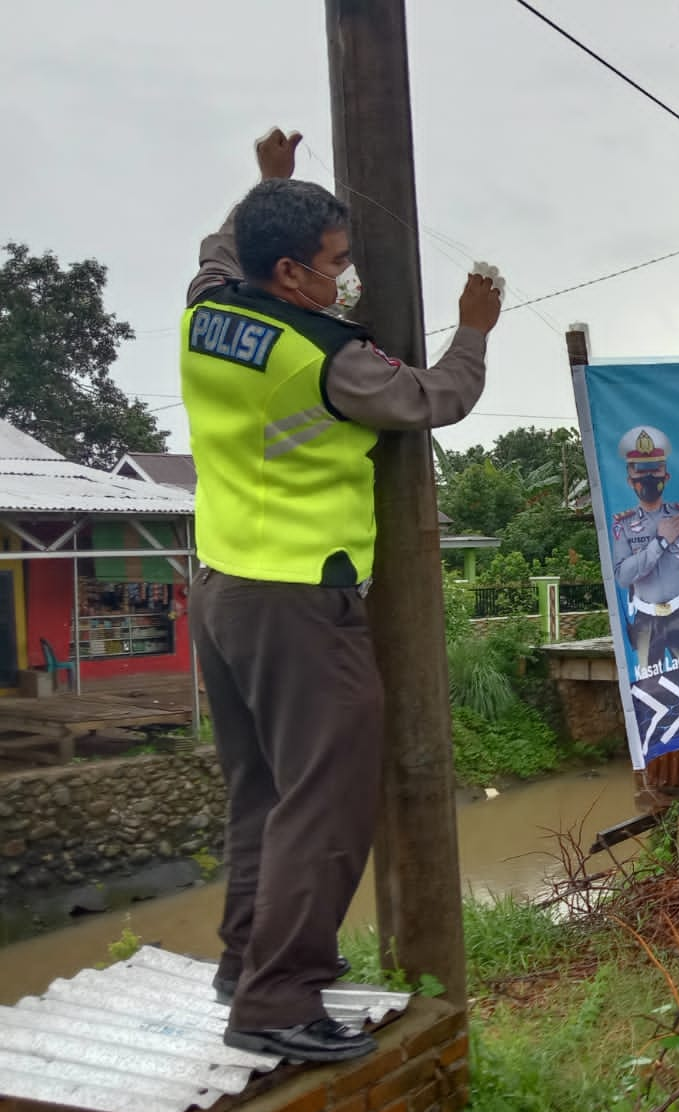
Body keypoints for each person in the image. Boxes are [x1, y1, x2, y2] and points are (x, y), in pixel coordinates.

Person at [184, 128, 502, 1063]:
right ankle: (279, 1001)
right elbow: (437, 398)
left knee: (261, 795)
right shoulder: (327, 359)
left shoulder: (205, 310)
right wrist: (475, 324)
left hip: (221, 592)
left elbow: (216, 247)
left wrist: (268, 182)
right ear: (288, 272)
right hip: (300, 608)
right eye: (334, 263)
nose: (345, 276)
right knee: (327, 800)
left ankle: (243, 963)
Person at [611, 425, 679, 670]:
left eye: (655, 472)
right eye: (641, 475)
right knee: (651, 691)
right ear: (630, 481)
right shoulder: (622, 526)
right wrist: (661, 542)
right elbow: (623, 577)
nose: (648, 479)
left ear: (666, 476)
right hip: (645, 620)